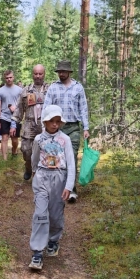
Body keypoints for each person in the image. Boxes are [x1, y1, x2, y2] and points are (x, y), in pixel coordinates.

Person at [28, 105, 75, 270]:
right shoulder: (38, 139)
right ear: (45, 121)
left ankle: (53, 240)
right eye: (51, 121)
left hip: (59, 179)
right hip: (42, 177)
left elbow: (71, 163)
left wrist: (69, 186)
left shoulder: (65, 140)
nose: (55, 124)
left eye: (58, 121)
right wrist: (34, 172)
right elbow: (34, 158)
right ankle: (37, 253)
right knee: (40, 214)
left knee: (55, 215)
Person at [43, 60, 90, 203]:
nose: (61, 74)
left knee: (72, 157)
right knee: (53, 155)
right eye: (59, 72)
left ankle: (71, 190)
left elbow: (83, 108)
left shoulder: (78, 88)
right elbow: (46, 107)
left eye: (63, 71)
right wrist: (43, 126)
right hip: (56, 127)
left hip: (73, 127)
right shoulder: (53, 88)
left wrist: (86, 127)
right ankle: (54, 187)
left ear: (69, 72)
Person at [11, 64, 49, 181]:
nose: (38, 76)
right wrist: (13, 124)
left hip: (45, 125)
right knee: (26, 150)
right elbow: (19, 108)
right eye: (35, 74)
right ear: (32, 74)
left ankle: (42, 174)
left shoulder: (50, 89)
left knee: (46, 150)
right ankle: (28, 167)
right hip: (29, 123)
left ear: (44, 74)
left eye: (40, 74)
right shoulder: (26, 90)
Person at [0, 70, 22, 161]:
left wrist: (16, 108)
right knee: (4, 137)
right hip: (4, 117)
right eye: (7, 78)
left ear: (13, 77)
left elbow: (23, 104)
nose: (9, 79)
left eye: (10, 77)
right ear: (4, 78)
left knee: (14, 139)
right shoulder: (0, 91)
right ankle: (4, 159)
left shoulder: (19, 90)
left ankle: (14, 150)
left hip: (16, 117)